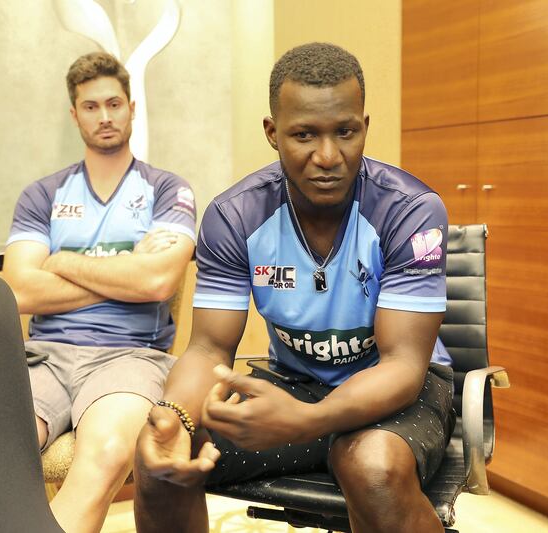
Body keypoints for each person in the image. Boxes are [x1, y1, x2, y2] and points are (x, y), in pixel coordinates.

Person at [134, 42, 454, 533]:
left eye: (345, 132)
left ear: (364, 127)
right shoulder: (235, 215)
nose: (327, 156)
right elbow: (208, 348)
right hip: (296, 382)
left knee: (369, 466)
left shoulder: (410, 211)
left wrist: (306, 420)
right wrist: (176, 414)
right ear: (272, 133)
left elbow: (404, 366)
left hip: (400, 394)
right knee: (163, 457)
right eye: (304, 135)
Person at [2, 51, 196, 533]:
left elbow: (158, 282)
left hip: (130, 356)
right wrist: (127, 269)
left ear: (132, 107)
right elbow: (20, 289)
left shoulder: (168, 190)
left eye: (114, 103)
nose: (105, 116)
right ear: (74, 114)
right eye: (91, 106)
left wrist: (62, 261)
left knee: (107, 453)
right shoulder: (42, 195)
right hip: (41, 356)